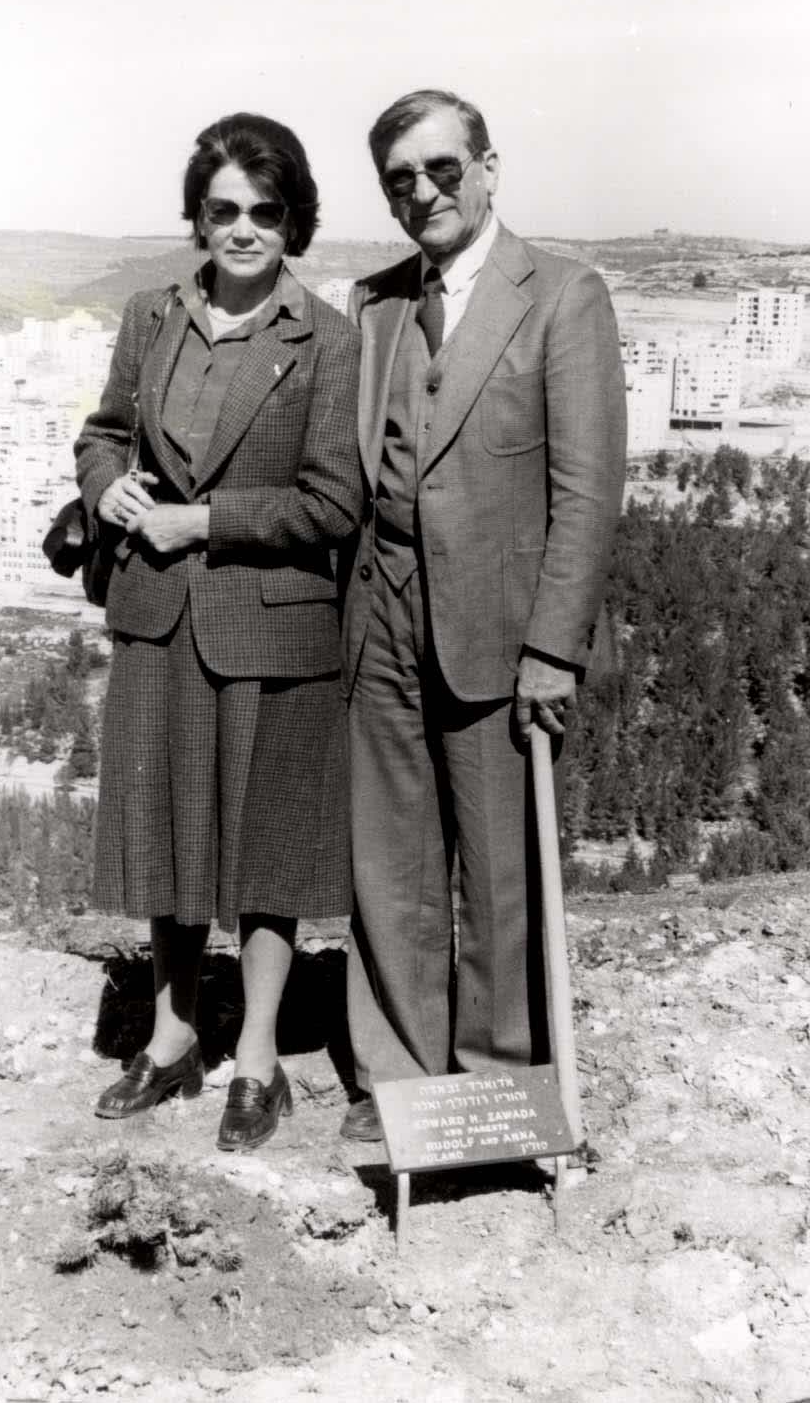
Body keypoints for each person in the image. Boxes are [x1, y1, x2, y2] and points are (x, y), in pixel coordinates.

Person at [339, 89, 626, 1141]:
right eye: (400, 180)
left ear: (490, 169)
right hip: (381, 627)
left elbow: (588, 488)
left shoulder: (560, 293)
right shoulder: (374, 306)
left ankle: (499, 1086)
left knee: (500, 870)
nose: (423, 193)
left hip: (503, 638)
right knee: (390, 861)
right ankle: (401, 1083)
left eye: (442, 170)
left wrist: (552, 646)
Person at [73, 113, 361, 1151]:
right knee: (169, 841)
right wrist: (106, 488)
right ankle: (171, 1036)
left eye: (265, 211)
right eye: (223, 209)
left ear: (295, 220)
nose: (243, 229)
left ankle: (260, 1059)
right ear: (197, 214)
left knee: (267, 853)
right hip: (157, 616)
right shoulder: (151, 317)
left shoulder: (328, 339)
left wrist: (209, 519)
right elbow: (104, 432)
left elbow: (333, 502)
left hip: (277, 630)